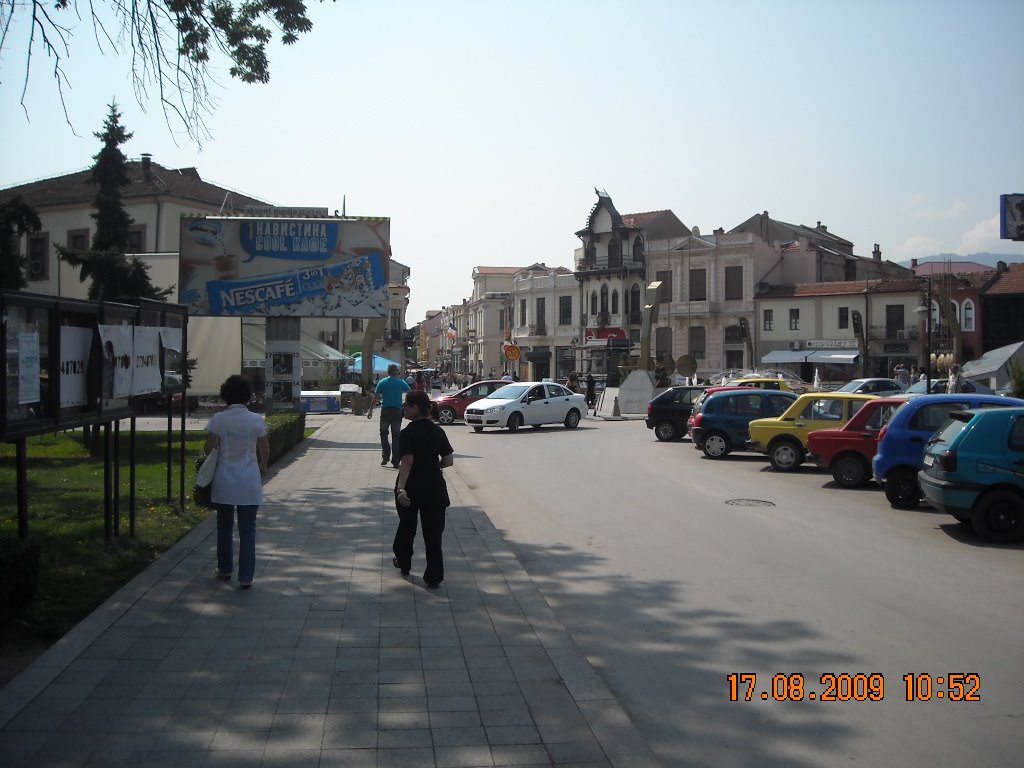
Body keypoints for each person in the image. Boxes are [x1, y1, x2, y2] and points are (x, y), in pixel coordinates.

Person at [204, 374, 269, 589]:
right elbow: (264, 449)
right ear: (248, 396)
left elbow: (208, 448)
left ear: (225, 396)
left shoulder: (218, 419)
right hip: (249, 479)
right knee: (248, 529)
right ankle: (246, 577)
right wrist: (263, 466)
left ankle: (224, 569)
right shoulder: (256, 420)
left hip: (224, 479)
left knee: (224, 525)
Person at [392, 390, 455, 589]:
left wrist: (401, 488)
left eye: (406, 405)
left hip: (411, 488)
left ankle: (404, 563)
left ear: (415, 407)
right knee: (433, 535)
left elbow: (407, 462)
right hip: (434, 488)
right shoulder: (438, 431)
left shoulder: (407, 433)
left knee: (406, 527)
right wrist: (431, 466)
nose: (404, 408)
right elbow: (448, 460)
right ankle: (434, 576)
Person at [367, 364, 412, 468]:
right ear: (395, 371)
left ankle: (386, 455)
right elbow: (410, 393)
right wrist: (405, 404)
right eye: (398, 370)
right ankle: (395, 460)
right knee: (396, 436)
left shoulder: (382, 382)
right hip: (397, 411)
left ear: (388, 372)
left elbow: (376, 397)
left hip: (385, 411)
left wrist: (370, 411)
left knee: (383, 433)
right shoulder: (401, 382)